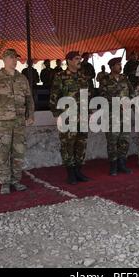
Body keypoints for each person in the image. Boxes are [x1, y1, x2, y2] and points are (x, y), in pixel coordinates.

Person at [0, 48, 35, 195]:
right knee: (3, 153)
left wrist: (30, 115)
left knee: (18, 152)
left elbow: (29, 99)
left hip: (19, 123)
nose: (14, 60)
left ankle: (16, 180)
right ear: (4, 59)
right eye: (11, 57)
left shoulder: (22, 78)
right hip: (2, 123)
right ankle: (5, 182)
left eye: (16, 58)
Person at [49, 51, 91, 185]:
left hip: (82, 117)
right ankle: (71, 174)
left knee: (81, 145)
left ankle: (78, 171)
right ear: (69, 61)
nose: (80, 60)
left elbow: (87, 96)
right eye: (77, 59)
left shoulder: (83, 77)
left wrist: (88, 112)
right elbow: (54, 97)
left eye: (80, 58)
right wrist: (57, 115)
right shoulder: (60, 77)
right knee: (68, 145)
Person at [100, 57, 134, 176]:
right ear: (112, 67)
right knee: (112, 141)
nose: (121, 66)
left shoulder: (125, 78)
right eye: (118, 64)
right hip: (111, 115)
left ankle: (122, 164)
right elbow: (102, 97)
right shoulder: (105, 80)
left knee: (124, 140)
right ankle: (113, 166)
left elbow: (132, 92)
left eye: (121, 64)